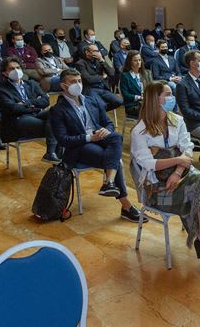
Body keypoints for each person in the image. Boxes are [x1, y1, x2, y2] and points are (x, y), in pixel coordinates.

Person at [129, 81, 200, 269]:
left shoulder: (177, 120)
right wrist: (176, 159)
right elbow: (148, 163)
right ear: (154, 99)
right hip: (158, 190)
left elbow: (188, 149)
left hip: (180, 179)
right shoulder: (139, 131)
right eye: (167, 94)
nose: (171, 98)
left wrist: (175, 170)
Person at [49, 69, 140, 221]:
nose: (77, 84)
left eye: (79, 81)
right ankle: (126, 205)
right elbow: (63, 140)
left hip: (100, 137)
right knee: (114, 160)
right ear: (63, 86)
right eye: (73, 82)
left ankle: (109, 182)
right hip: (79, 147)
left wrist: (106, 130)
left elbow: (109, 123)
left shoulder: (92, 100)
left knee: (116, 136)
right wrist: (89, 138)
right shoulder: (57, 110)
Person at [0, 57, 61, 162]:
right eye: (11, 69)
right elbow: (12, 108)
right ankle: (53, 154)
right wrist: (34, 104)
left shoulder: (31, 84)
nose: (16, 71)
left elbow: (45, 101)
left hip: (35, 115)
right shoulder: (0, 90)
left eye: (18, 67)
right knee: (57, 125)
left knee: (57, 112)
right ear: (5, 73)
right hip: (16, 120)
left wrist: (27, 103)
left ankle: (51, 153)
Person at [76, 43, 123, 110]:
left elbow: (112, 74)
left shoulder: (99, 61)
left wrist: (102, 60)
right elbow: (88, 79)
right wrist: (102, 77)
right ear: (87, 52)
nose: (98, 53)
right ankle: (99, 112)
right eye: (95, 51)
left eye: (98, 51)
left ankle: (98, 112)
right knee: (101, 105)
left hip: (103, 88)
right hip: (91, 89)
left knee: (119, 101)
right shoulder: (80, 64)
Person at [119, 51, 153, 119]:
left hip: (147, 103)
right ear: (130, 62)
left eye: (139, 60)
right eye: (135, 60)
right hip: (133, 105)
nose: (138, 63)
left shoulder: (146, 73)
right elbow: (126, 95)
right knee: (152, 111)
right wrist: (139, 97)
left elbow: (151, 89)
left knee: (161, 107)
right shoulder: (125, 76)